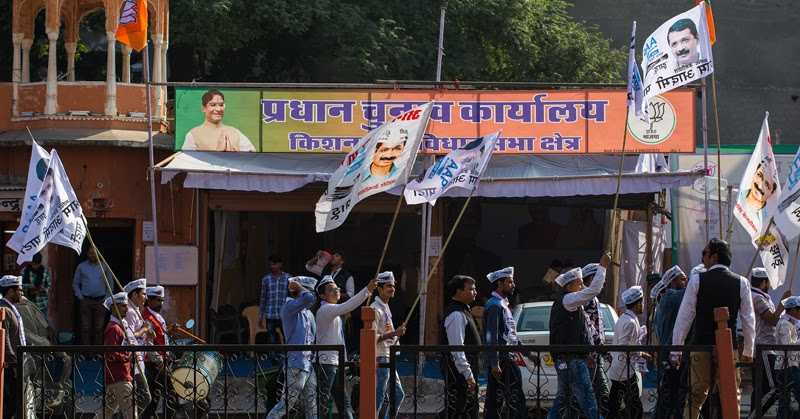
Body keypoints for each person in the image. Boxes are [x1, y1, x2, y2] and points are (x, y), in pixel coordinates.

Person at [672, 238, 756, 419]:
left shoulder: (697, 280)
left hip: (701, 346)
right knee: (732, 395)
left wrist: (676, 350)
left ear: (714, 257)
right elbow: (749, 319)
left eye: (705, 253)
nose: (703, 258)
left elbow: (684, 317)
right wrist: (748, 349)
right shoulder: (741, 282)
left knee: (696, 396)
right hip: (729, 348)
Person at [547, 252, 611, 419]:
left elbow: (585, 329)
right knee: (588, 399)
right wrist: (603, 266)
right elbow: (593, 290)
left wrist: (588, 351)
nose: (582, 287)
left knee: (563, 398)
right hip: (571, 359)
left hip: (573, 358)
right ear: (569, 287)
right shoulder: (567, 300)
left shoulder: (573, 304)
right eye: (580, 284)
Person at [315, 274, 376, 419]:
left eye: (337, 288)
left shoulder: (334, 311)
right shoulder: (325, 310)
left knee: (344, 403)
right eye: (331, 290)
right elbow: (348, 306)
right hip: (326, 363)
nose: (336, 291)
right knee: (322, 402)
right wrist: (367, 290)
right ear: (323, 296)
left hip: (336, 362)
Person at [266, 276, 318, 419]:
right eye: (306, 290)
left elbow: (313, 337)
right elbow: (308, 298)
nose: (310, 294)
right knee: (286, 404)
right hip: (296, 363)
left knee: (312, 405)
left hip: (308, 364)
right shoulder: (289, 307)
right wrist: (299, 288)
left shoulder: (308, 313)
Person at [484, 267, 526, 419]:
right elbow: (492, 335)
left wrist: (527, 353)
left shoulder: (503, 304)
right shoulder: (494, 305)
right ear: (500, 284)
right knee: (511, 399)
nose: (513, 285)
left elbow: (510, 335)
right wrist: (495, 363)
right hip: (502, 360)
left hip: (507, 358)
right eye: (509, 282)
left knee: (498, 399)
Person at [652, 265, 691, 419]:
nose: (686, 281)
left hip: (667, 353)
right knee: (671, 394)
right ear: (673, 281)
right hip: (672, 354)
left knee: (668, 393)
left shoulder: (666, 299)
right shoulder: (673, 296)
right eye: (682, 279)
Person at [750, 267, 791, 414]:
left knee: (761, 387)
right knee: (775, 387)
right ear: (764, 282)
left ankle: (753, 414)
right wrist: (784, 302)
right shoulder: (757, 298)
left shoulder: (759, 296)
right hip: (764, 348)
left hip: (765, 348)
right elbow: (772, 319)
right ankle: (756, 415)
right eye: (768, 282)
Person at [441, 275, 481, 419]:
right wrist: (468, 375)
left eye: (475, 289)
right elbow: (457, 348)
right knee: (460, 409)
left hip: (465, 370)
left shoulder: (464, 311)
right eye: (471, 289)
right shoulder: (456, 314)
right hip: (458, 373)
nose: (475, 292)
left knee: (468, 408)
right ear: (458, 292)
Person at [607, 286, 646, 419]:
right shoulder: (629, 322)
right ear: (637, 303)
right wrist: (641, 353)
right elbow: (624, 346)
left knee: (617, 402)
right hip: (623, 369)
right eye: (641, 302)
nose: (643, 305)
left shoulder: (626, 318)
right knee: (632, 404)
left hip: (622, 368)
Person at [372, 271, 406, 419]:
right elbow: (372, 338)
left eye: (393, 286)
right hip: (380, 357)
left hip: (388, 356)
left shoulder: (385, 306)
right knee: (379, 396)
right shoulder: (375, 309)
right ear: (379, 288)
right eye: (388, 286)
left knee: (398, 395)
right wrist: (394, 333)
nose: (392, 289)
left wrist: (395, 335)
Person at [96, 292, 135, 419]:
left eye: (126, 306)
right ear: (114, 307)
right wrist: (128, 356)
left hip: (116, 377)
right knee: (130, 413)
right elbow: (110, 353)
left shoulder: (120, 326)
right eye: (123, 306)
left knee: (106, 412)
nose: (127, 309)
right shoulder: (114, 328)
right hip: (120, 377)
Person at [182, 89, 255, 152]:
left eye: (221, 105)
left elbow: (251, 156)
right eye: (213, 105)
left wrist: (236, 154)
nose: (218, 109)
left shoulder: (235, 132)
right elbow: (187, 161)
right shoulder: (194, 134)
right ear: (203, 108)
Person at [582, 262, 610, 416]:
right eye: (599, 277)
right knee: (599, 392)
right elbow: (588, 326)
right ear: (591, 278)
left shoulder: (593, 298)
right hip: (591, 353)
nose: (603, 281)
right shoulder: (587, 298)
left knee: (596, 392)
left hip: (596, 353)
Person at [123, 278, 152, 415]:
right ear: (134, 294)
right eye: (143, 294)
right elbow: (129, 336)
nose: (146, 297)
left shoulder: (136, 310)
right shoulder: (129, 311)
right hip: (132, 360)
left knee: (136, 399)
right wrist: (144, 330)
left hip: (139, 359)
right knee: (143, 397)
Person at [73, 247, 112, 345]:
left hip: (101, 301)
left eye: (94, 253)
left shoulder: (105, 266)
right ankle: (87, 352)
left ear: (98, 254)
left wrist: (106, 299)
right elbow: (75, 284)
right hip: (86, 300)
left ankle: (97, 352)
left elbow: (110, 285)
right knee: (85, 328)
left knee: (99, 328)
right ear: (87, 254)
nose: (92, 255)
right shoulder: (81, 267)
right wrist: (80, 297)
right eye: (90, 253)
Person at [0, 275, 27, 419]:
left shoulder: (11, 308)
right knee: (8, 403)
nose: (22, 293)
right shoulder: (3, 309)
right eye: (20, 290)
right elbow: (5, 340)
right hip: (10, 366)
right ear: (10, 291)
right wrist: (13, 364)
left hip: (16, 363)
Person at [141, 285, 170, 419]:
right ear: (150, 301)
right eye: (158, 300)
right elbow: (149, 344)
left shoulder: (156, 315)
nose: (161, 303)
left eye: (162, 300)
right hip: (154, 364)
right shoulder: (147, 318)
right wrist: (160, 363)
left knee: (157, 396)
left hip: (161, 361)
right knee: (156, 397)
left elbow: (158, 335)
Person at [775, 296, 800, 419]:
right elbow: (787, 346)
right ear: (794, 310)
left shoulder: (790, 323)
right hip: (787, 367)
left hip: (790, 365)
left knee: (784, 402)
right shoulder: (785, 324)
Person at [259, 255, 290, 347]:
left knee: (286, 336)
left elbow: (292, 296)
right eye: (271, 264)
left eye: (274, 264)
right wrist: (261, 316)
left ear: (280, 264)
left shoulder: (288, 278)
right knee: (271, 339)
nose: (272, 267)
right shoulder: (266, 279)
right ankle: (273, 358)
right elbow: (263, 298)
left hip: (283, 314)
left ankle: (287, 357)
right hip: (270, 314)